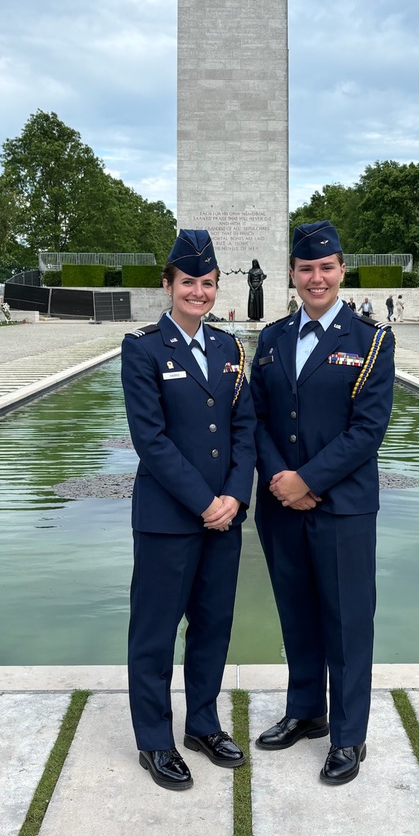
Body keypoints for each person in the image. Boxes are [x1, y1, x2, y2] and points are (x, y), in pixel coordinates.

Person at [250, 220, 396, 786]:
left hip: (342, 506)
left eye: (326, 268)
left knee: (348, 621)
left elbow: (367, 431)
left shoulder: (371, 341)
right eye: (306, 269)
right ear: (292, 273)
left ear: (342, 271)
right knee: (297, 613)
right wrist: (280, 479)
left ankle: (349, 735)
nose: (316, 278)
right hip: (280, 505)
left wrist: (307, 480)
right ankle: (307, 710)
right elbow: (257, 417)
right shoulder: (273, 338)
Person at [120, 229, 257, 792]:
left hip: (223, 518)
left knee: (213, 627)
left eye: (207, 283)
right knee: (154, 632)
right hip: (168, 519)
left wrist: (234, 496)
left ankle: (202, 723)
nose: (197, 292)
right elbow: (149, 440)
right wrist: (206, 502)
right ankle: (155, 739)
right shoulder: (144, 347)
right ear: (168, 285)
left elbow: (244, 427)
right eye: (188, 283)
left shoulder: (230, 349)